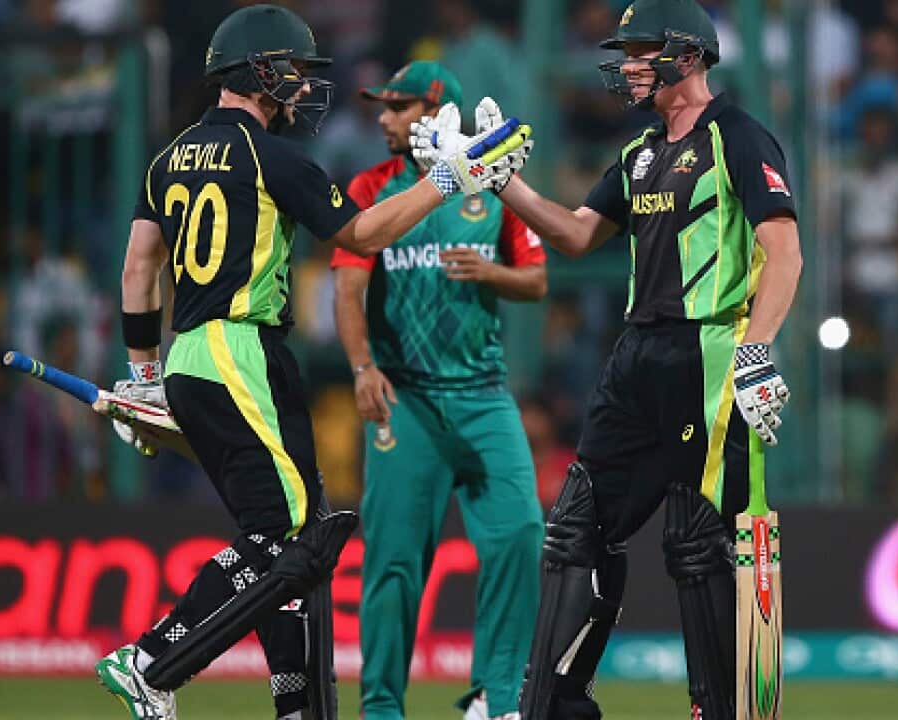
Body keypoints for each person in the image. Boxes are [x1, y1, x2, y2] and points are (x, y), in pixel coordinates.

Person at [91, 6, 532, 720]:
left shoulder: (167, 157)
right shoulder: (275, 158)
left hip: (188, 357)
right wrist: (452, 177)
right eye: (290, 71)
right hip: (241, 350)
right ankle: (154, 660)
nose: (300, 86)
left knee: (288, 542)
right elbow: (359, 233)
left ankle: (298, 707)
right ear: (258, 71)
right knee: (291, 534)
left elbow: (138, 271)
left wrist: (143, 375)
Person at [415, 1, 801, 717]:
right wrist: (503, 182)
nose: (626, 67)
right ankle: (556, 706)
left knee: (699, 544)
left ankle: (723, 709)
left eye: (640, 51)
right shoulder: (639, 154)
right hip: (635, 357)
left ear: (686, 54)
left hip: (709, 351)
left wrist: (754, 350)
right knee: (575, 530)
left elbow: (785, 251)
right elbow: (575, 233)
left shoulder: (739, 137)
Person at [331, 61, 547, 720]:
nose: (383, 118)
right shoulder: (371, 186)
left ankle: (497, 697)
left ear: (438, 113)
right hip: (407, 399)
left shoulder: (493, 188)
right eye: (383, 107)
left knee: (521, 534)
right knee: (394, 564)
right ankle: (382, 710)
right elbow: (347, 285)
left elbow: (537, 280)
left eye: (398, 107)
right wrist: (363, 366)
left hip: (482, 394)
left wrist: (489, 272)